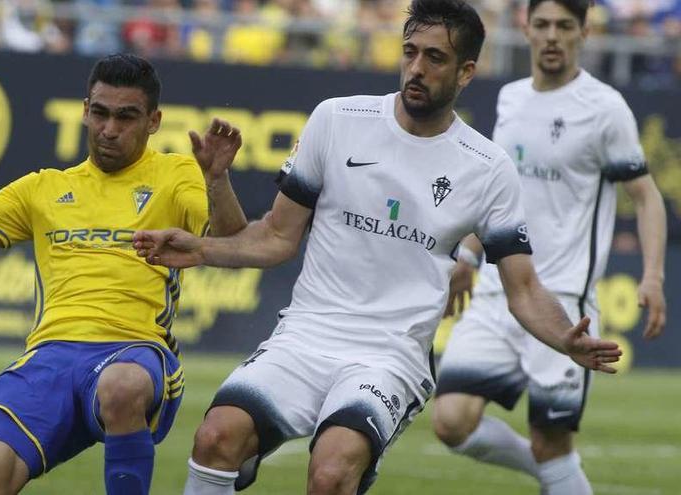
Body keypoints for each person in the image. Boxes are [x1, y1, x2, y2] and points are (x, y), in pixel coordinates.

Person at [131, 1, 622, 493]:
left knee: (330, 473)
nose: (417, 68)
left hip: (391, 354)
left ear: (466, 72)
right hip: (306, 334)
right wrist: (202, 246)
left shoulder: (488, 167)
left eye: (435, 58)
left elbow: (524, 288)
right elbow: (276, 237)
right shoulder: (336, 119)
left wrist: (564, 337)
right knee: (216, 437)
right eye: (410, 52)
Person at [0, 53, 247, 495]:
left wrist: (217, 180)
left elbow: (232, 242)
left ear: (154, 121)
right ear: (85, 110)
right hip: (48, 358)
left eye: (126, 117)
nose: (109, 129)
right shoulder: (44, 188)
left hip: (135, 350)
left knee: (120, 387)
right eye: (100, 113)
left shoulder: (177, 173)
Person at [431, 1, 667, 494]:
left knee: (551, 442)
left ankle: (558, 473)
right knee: (451, 422)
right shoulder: (512, 99)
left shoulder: (604, 109)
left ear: (584, 31)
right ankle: (557, 477)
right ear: (526, 29)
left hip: (563, 306)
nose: (552, 36)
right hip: (498, 294)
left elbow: (646, 197)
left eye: (564, 26)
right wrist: (470, 256)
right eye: (542, 25)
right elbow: (498, 196)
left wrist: (653, 276)